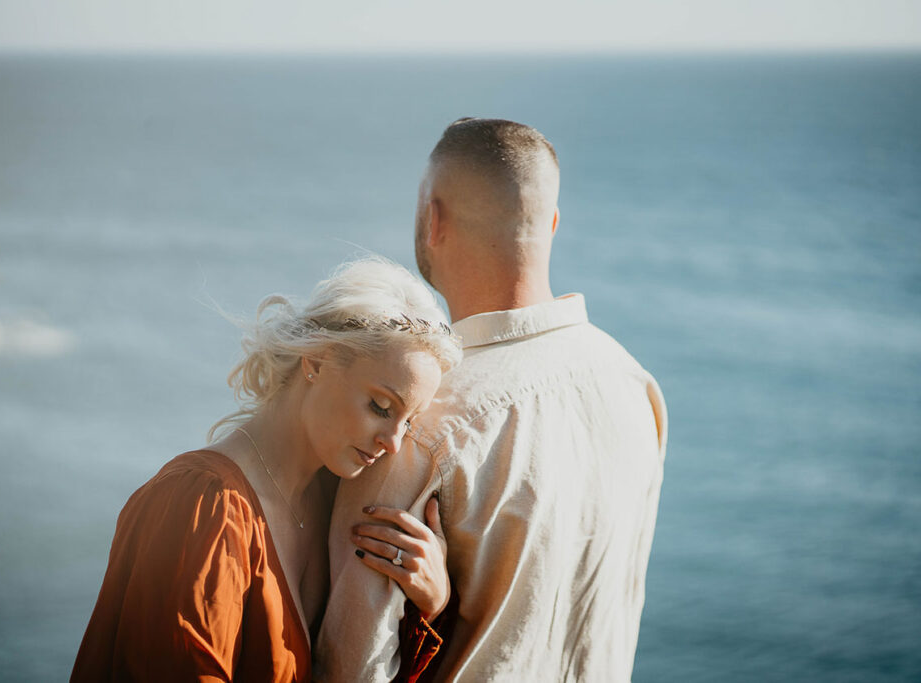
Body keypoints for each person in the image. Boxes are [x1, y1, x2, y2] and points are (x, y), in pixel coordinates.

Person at [315, 119, 668, 682]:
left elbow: (352, 668)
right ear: (552, 225)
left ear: (434, 219)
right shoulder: (635, 384)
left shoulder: (416, 424)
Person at [70, 257, 463, 682]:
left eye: (409, 422)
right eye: (380, 407)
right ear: (315, 360)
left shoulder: (336, 500)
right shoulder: (202, 506)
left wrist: (433, 600)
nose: (393, 442)